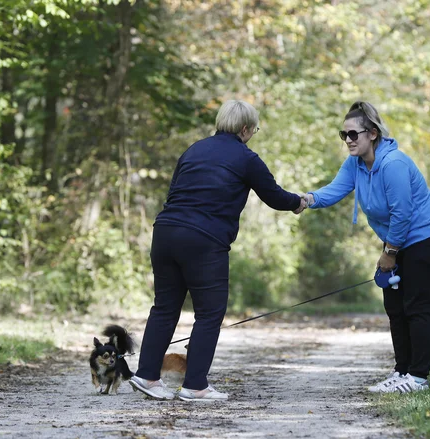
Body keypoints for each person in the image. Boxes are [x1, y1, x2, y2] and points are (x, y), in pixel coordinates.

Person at [129, 99, 307, 401]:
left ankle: (147, 376)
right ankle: (195, 385)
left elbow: (174, 191)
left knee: (165, 307)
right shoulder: (246, 158)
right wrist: (298, 202)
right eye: (255, 129)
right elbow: (274, 196)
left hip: (165, 232)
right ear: (246, 128)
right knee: (210, 312)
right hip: (204, 240)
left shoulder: (193, 150)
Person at [302, 101, 430, 393]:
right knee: (395, 307)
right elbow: (335, 189)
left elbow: (403, 213)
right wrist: (306, 200)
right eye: (343, 135)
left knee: (417, 307)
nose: (348, 140)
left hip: (425, 238)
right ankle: (402, 372)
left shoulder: (393, 164)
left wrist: (389, 253)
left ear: (372, 133)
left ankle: (418, 378)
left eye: (353, 134)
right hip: (398, 240)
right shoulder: (356, 164)